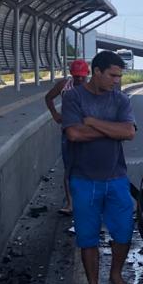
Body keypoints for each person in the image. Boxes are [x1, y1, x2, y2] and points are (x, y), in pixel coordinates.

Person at [61, 51, 137, 284]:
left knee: (125, 231)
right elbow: (73, 134)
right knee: (87, 237)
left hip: (116, 178)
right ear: (96, 71)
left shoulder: (121, 100)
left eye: (119, 76)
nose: (116, 81)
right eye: (112, 75)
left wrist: (92, 122)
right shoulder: (73, 97)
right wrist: (110, 130)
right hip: (83, 179)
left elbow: (128, 132)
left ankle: (115, 277)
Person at [46, 59, 90, 215]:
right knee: (69, 167)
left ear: (88, 74)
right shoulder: (64, 85)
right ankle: (70, 204)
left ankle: (87, 201)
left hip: (87, 132)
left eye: (82, 76)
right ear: (72, 74)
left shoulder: (92, 88)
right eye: (76, 76)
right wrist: (55, 114)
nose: (79, 79)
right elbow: (48, 97)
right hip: (68, 131)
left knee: (88, 167)